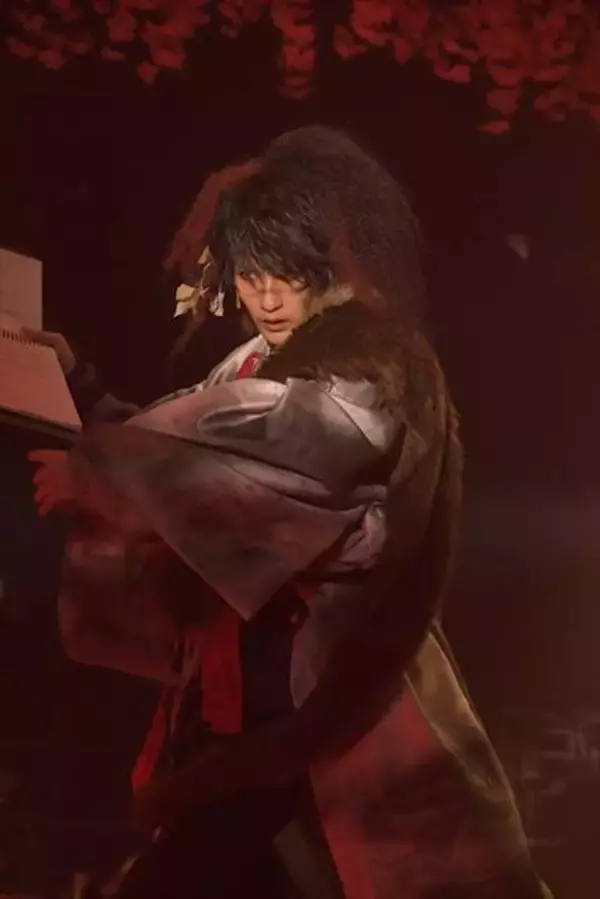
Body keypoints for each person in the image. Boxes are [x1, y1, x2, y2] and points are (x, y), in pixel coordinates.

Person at [29, 127, 551, 899]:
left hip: (319, 707)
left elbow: (263, 467)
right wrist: (76, 380)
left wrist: (105, 476)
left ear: (322, 268)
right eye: (251, 274)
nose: (267, 297)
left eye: (287, 275)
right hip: (250, 721)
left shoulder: (370, 367)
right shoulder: (253, 365)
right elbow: (187, 443)